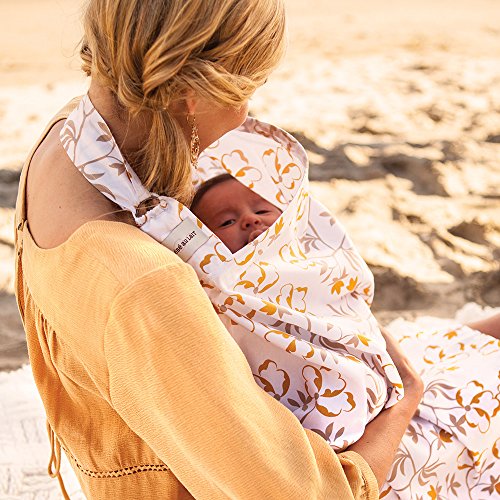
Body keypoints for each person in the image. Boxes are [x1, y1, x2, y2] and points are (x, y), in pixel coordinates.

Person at [13, 2, 497, 500]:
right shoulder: (144, 286)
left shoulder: (69, 140)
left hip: (196, 438)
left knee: (444, 345)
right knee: (471, 396)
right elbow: (311, 495)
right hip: (233, 478)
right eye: (248, 90)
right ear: (190, 94)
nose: (246, 113)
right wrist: (404, 404)